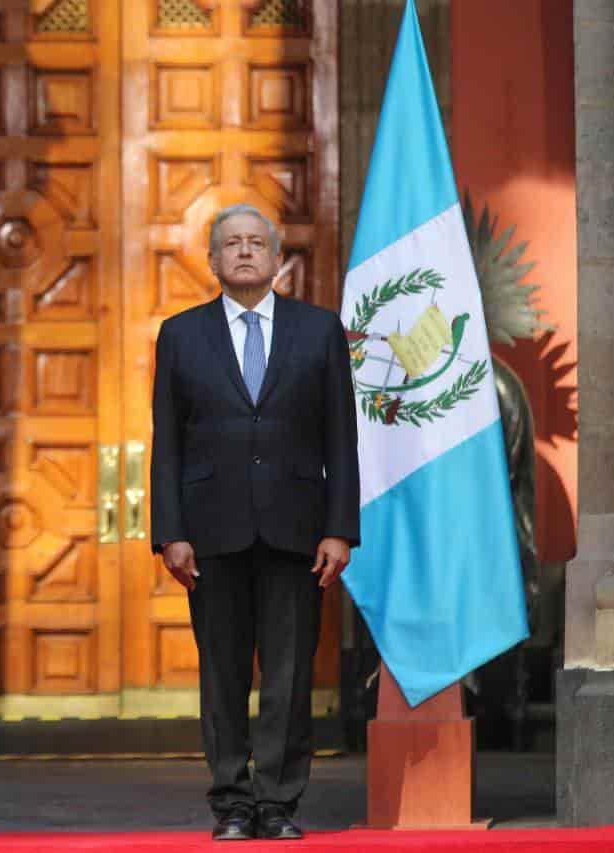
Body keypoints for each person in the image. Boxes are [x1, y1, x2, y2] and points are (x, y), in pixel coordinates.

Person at [150, 203, 360, 841]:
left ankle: (278, 803)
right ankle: (233, 805)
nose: (244, 252)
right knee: (222, 673)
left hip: (298, 530)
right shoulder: (182, 334)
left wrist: (339, 529)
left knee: (291, 675)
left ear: (277, 260)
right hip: (210, 532)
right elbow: (168, 443)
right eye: (231, 245)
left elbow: (341, 440)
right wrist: (171, 531)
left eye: (255, 243)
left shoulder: (319, 330)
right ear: (213, 261)